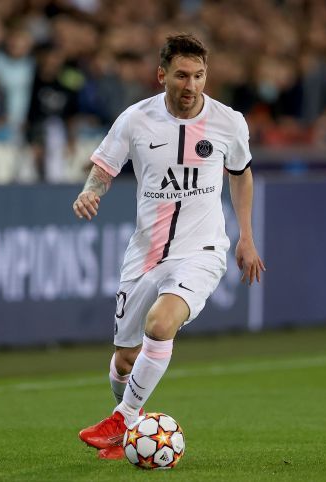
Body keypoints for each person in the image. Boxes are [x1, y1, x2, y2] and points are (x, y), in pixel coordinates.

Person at [72, 33, 265, 460]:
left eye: (198, 75)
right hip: (145, 254)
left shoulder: (228, 122)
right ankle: (124, 415)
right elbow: (103, 168)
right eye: (181, 75)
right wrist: (91, 192)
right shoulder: (135, 120)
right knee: (125, 360)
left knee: (161, 325)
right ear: (162, 75)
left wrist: (246, 237)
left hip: (202, 252)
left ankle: (124, 419)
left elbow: (242, 173)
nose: (191, 84)